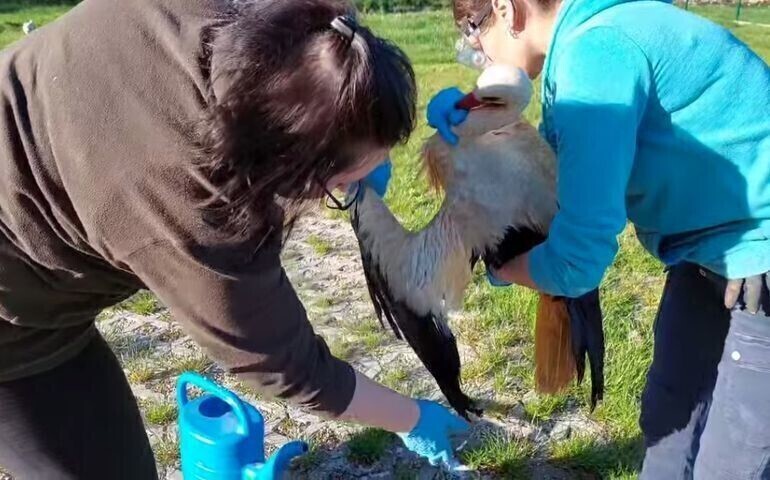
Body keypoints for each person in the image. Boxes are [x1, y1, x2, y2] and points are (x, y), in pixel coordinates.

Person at [0, 0, 469, 478]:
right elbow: (292, 367)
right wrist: (412, 418)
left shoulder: (267, 23)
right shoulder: (201, 211)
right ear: (290, 170)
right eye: (341, 185)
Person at [428, 0, 770, 478]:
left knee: (734, 459)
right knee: (667, 421)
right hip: (705, 250)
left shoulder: (597, 56)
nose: (475, 50)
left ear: (506, 8)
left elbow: (577, 261)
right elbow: (565, 180)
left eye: (471, 32)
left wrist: (503, 270)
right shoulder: (587, 45)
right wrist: (475, 124)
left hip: (758, 253)